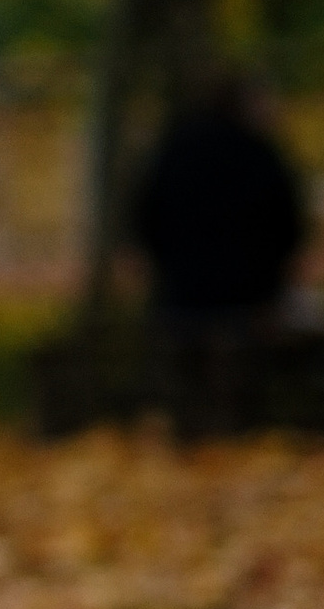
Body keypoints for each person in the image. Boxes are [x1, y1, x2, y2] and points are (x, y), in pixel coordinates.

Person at [131, 74, 308, 439]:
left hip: (181, 294)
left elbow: (144, 217)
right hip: (248, 296)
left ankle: (192, 431)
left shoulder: (174, 151)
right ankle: (237, 429)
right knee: (241, 374)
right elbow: (289, 225)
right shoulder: (259, 153)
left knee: (189, 375)